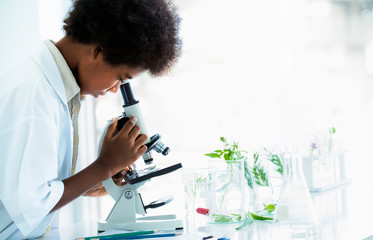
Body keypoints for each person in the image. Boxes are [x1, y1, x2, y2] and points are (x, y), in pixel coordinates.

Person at [0, 0, 182, 238]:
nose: (116, 89)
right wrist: (104, 166)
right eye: (120, 77)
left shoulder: (53, 88)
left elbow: (24, 184)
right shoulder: (34, 95)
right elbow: (32, 205)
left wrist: (95, 181)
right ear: (98, 51)